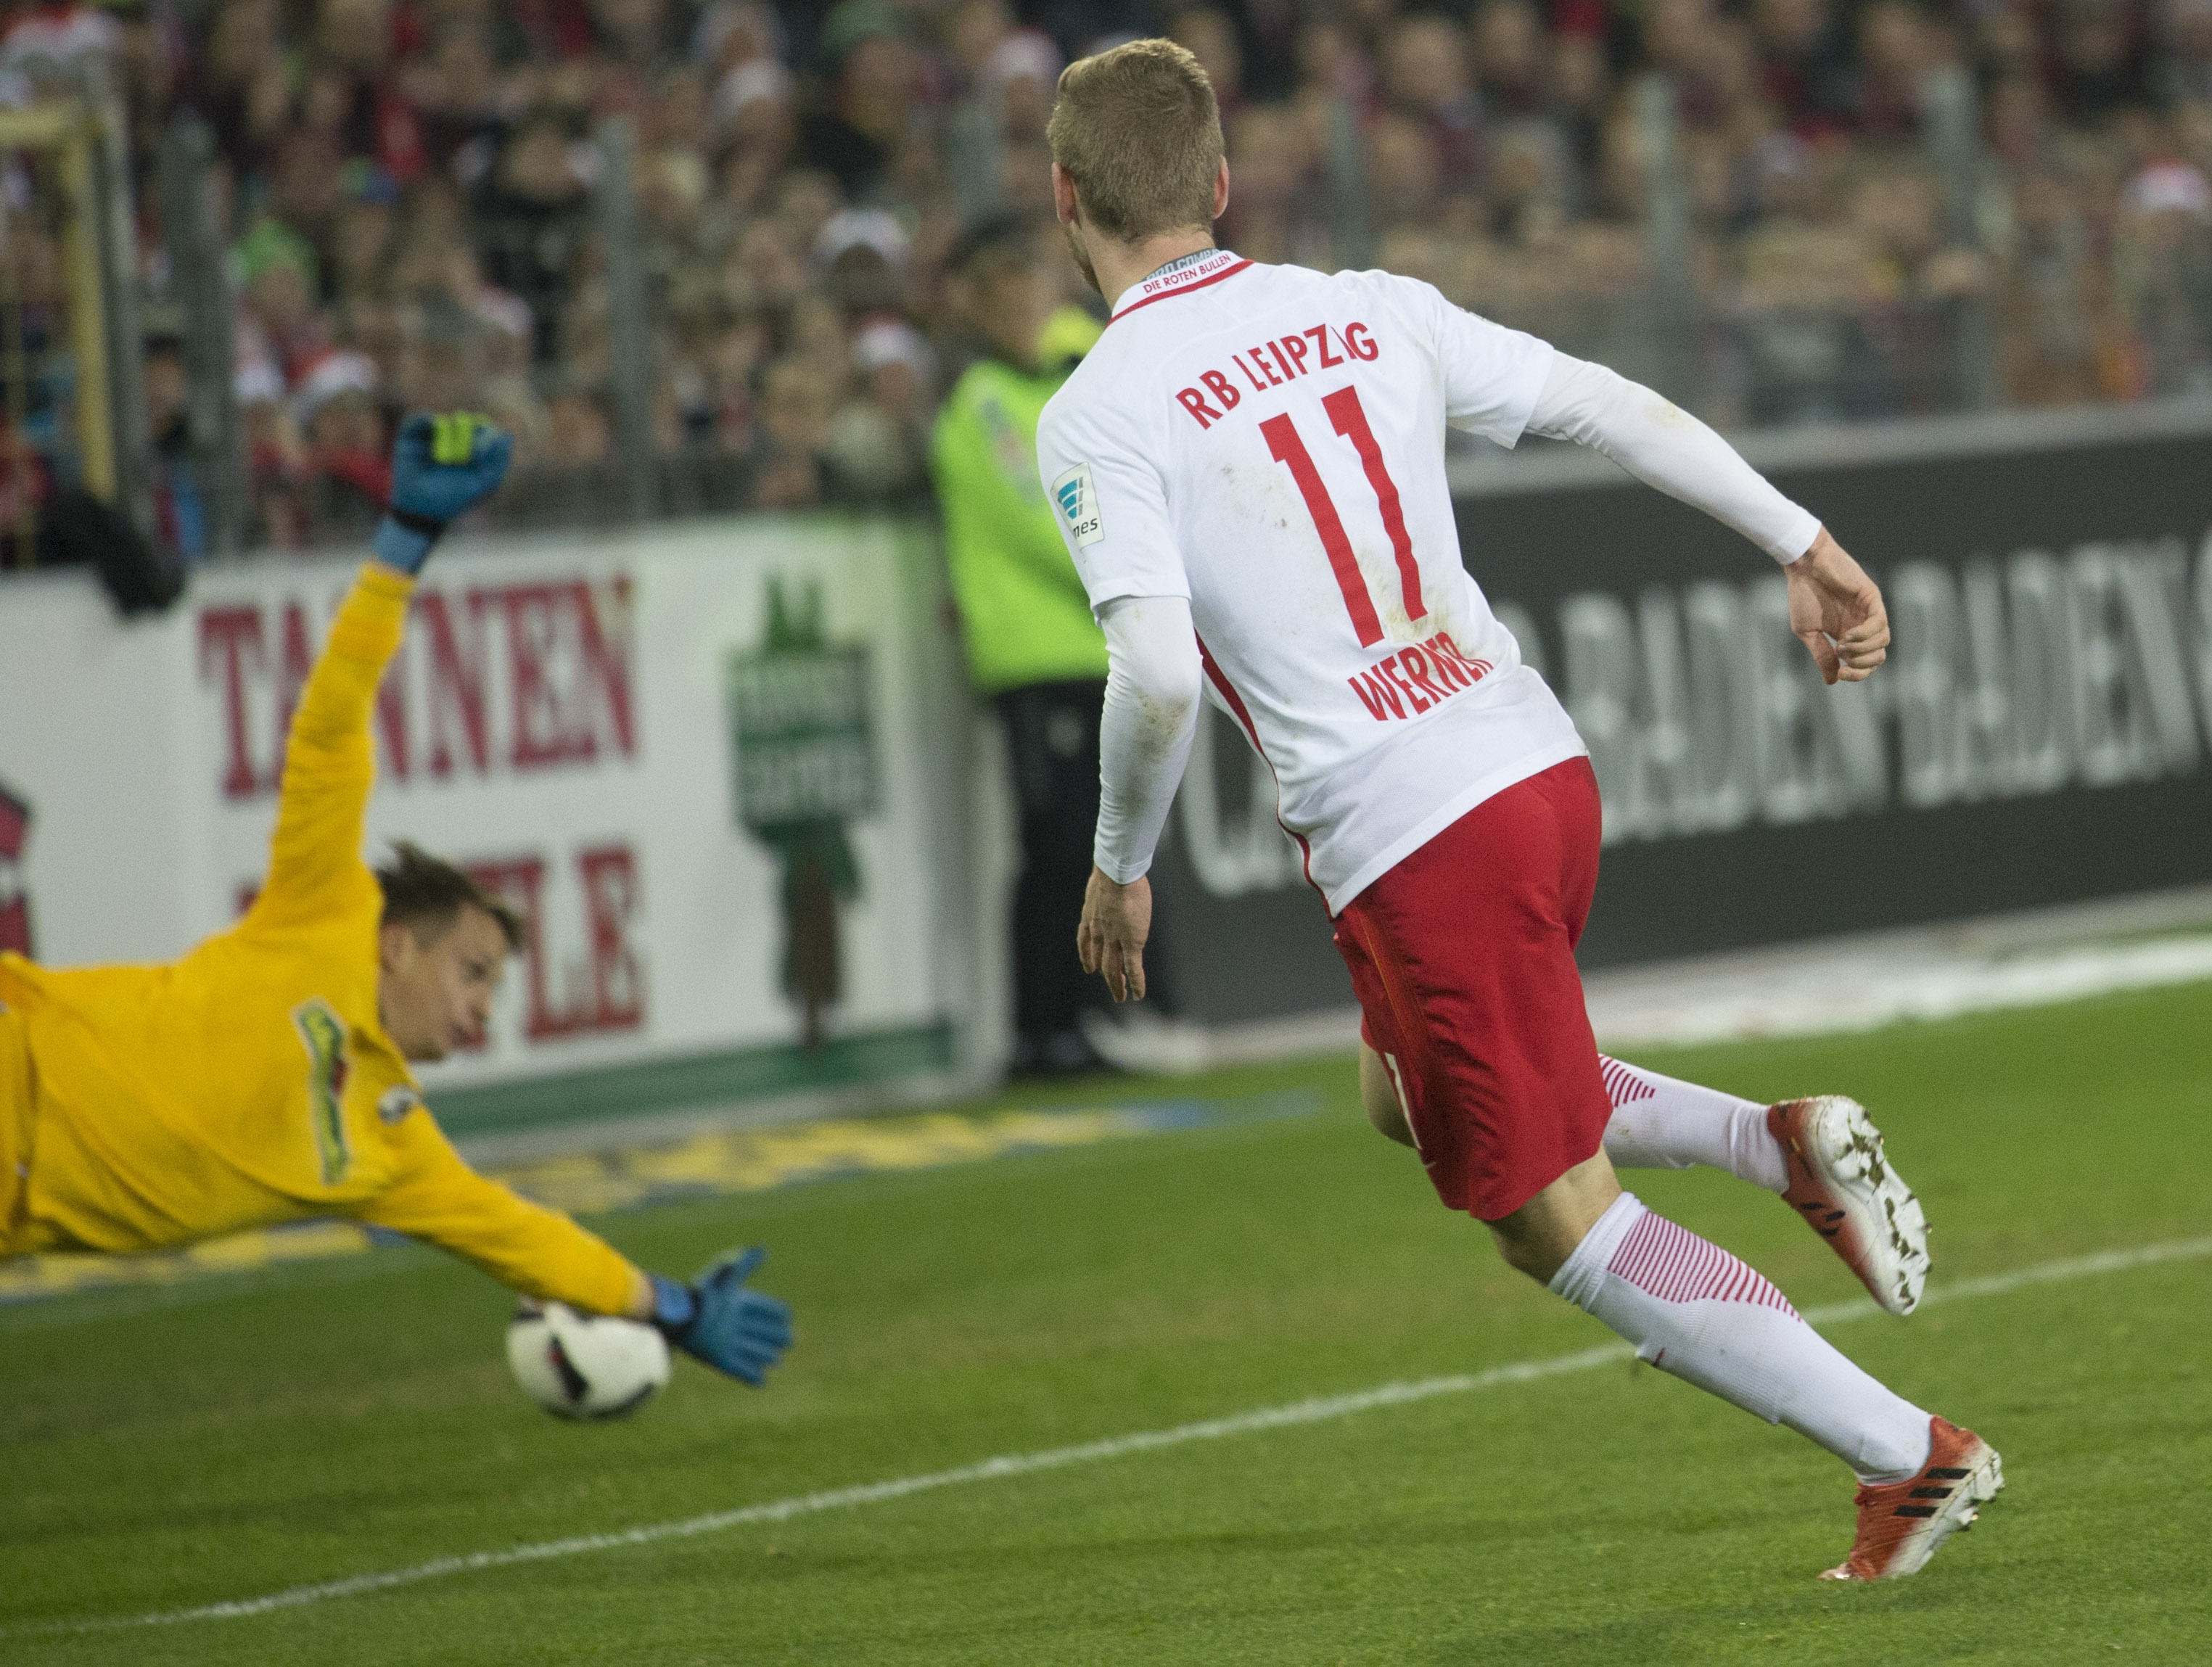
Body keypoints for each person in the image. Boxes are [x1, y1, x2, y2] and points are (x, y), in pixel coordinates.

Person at [1039, 40, 1994, 1583]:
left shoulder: (1099, 406)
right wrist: (1798, 536)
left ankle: (1910, 1457)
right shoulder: (1369, 307)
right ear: (1221, 185)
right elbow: (1602, 404)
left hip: (1417, 836)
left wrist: (1116, 871)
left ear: (1063, 196)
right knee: (1399, 1096)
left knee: (1554, 1221)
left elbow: (1152, 671)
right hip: (1533, 770)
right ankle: (1777, 1146)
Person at [0, 413, 792, 1390]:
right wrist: (401, 547)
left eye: (492, 991)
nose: (479, 1010)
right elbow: (331, 729)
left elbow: (524, 1239)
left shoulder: (390, 1147)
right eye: (472, 970)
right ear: (396, 944)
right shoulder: (320, 908)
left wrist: (671, 1307)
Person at [930, 215, 1128, 1076]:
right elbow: (1033, 517)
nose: (1026, 305)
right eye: (1005, 291)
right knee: (1051, 845)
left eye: (1035, 284)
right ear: (977, 303)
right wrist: (1131, 560)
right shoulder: (978, 406)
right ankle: (1036, 1031)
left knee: (1091, 846)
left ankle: (1081, 1022)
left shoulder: (1081, 365)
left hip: (1098, 653)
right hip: (1032, 658)